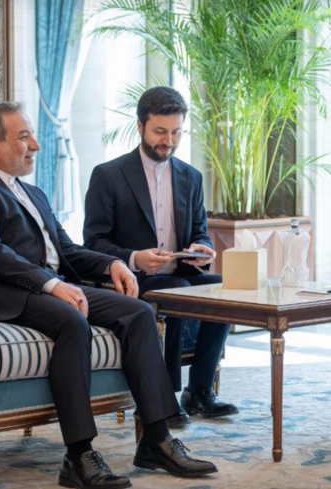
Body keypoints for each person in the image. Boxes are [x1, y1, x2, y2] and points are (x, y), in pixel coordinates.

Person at [0, 102, 218, 489]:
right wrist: (51, 285)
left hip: (46, 287)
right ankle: (79, 455)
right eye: (24, 137)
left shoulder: (31, 192)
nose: (35, 144)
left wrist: (112, 265)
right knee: (72, 321)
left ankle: (156, 439)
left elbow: (66, 250)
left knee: (138, 312)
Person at [84, 87, 238, 426]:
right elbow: (93, 242)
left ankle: (199, 391)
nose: (168, 140)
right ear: (140, 126)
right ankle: (163, 399)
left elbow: (199, 230)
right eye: (160, 131)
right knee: (177, 287)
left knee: (224, 288)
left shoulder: (191, 177)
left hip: (180, 273)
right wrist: (135, 257)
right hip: (133, 279)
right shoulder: (108, 175)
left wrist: (201, 248)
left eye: (176, 132)